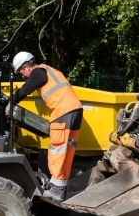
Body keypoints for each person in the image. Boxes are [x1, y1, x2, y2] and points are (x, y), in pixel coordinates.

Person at [8, 51, 83, 201]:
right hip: (76, 110)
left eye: (21, 71)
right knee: (67, 151)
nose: (22, 75)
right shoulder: (50, 70)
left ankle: (56, 190)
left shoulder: (38, 73)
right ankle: (61, 189)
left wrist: (11, 101)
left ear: (27, 66)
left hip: (62, 111)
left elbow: (26, 89)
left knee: (57, 149)